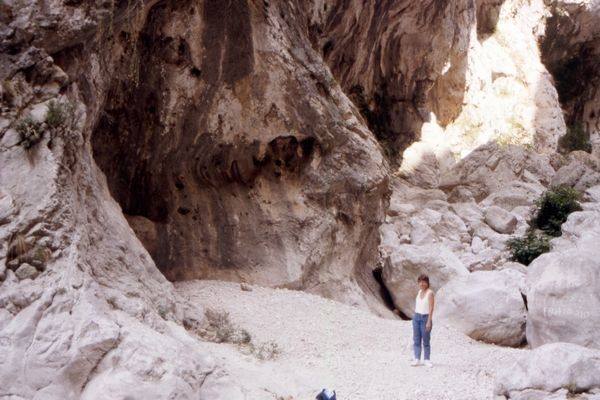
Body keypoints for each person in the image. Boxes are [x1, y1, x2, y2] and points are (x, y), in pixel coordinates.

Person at [411, 274, 435, 367]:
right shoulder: (419, 292)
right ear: (418, 283)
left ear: (427, 283)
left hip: (425, 318)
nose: (422, 284)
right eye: (420, 282)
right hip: (416, 317)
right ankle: (417, 358)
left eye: (424, 282)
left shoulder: (430, 293)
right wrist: (414, 316)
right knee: (416, 339)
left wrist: (429, 321)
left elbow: (431, 308)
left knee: (426, 340)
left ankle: (427, 359)